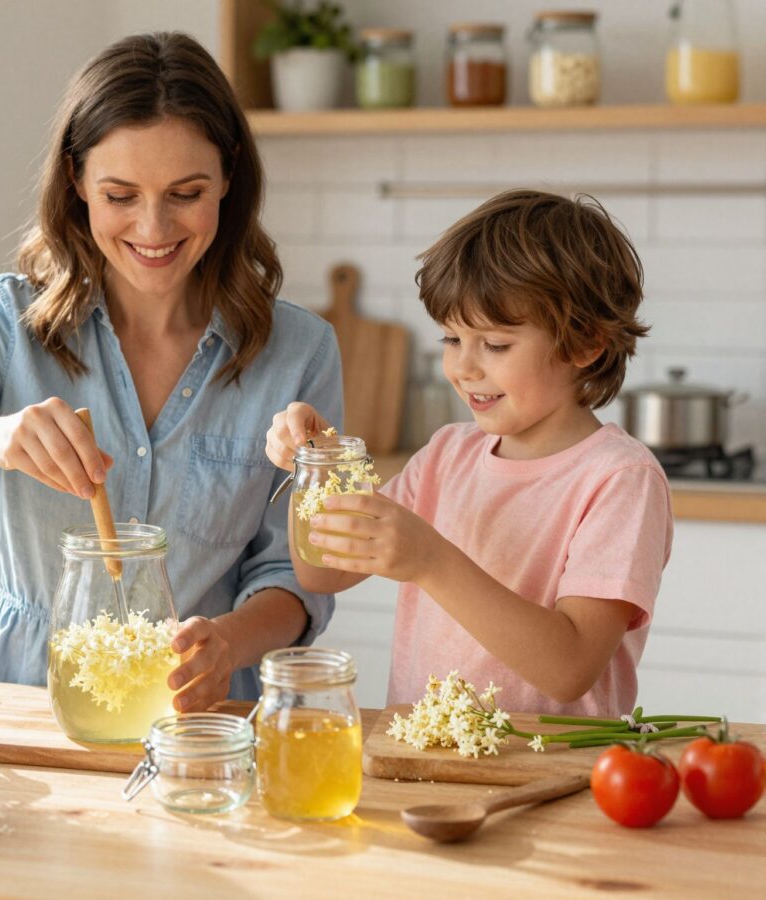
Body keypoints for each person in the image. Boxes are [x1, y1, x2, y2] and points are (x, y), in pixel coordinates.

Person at [0, 32, 342, 710]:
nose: (154, 226)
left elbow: (295, 571)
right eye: (121, 194)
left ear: (228, 176)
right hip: (18, 701)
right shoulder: (2, 320)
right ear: (76, 181)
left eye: (186, 192)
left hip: (200, 713)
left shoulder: (299, 350)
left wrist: (226, 641)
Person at [266, 189, 672, 717]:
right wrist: (315, 468)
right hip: (424, 761)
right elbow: (324, 573)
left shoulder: (619, 478)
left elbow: (570, 669)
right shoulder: (447, 455)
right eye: (451, 339)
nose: (463, 368)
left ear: (585, 344)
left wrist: (430, 561)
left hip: (551, 777)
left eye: (495, 345)